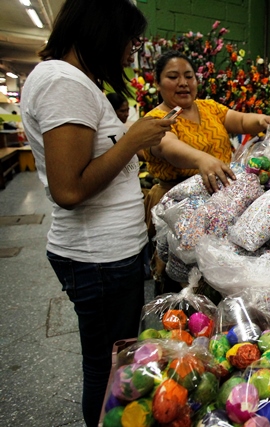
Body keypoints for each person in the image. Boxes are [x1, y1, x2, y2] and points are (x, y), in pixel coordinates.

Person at [19, 1, 175, 426]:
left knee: (113, 358)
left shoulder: (72, 81)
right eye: (129, 40)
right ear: (102, 33)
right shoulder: (63, 83)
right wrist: (131, 140)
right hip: (98, 257)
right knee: (108, 367)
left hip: (105, 254)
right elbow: (69, 189)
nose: (132, 50)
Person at [142, 51, 270, 292]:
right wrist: (201, 159)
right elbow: (167, 146)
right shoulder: (154, 119)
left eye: (189, 76)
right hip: (179, 210)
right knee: (186, 281)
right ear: (157, 82)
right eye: (173, 77)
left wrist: (261, 120)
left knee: (220, 272)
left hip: (223, 202)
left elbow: (239, 120)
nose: (183, 83)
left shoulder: (208, 108)